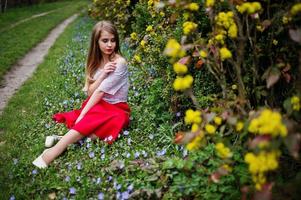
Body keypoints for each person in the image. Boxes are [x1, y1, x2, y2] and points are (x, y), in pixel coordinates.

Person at [33, 21, 130, 169]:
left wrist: (82, 116)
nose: (109, 45)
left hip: (116, 108)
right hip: (97, 105)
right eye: (105, 41)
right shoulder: (95, 62)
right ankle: (53, 151)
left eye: (113, 40)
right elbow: (91, 92)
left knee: (114, 121)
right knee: (90, 121)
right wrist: (103, 75)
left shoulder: (120, 63)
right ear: (96, 42)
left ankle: (60, 143)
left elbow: (99, 92)